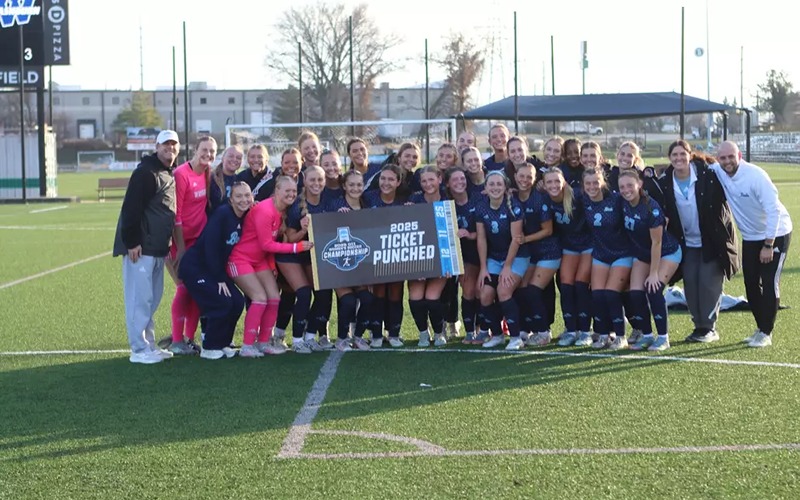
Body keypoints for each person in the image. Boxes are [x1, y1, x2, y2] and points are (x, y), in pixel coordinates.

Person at [711, 141, 792, 348]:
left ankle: (766, 332)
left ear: (739, 156)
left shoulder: (756, 176)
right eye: (723, 158)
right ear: (718, 158)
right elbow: (693, 163)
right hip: (750, 237)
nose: (727, 161)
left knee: (769, 281)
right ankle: (760, 327)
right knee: (750, 283)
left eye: (731, 157)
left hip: (775, 234)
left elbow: (773, 211)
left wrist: (768, 244)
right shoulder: (719, 171)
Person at [656, 140, 738, 344]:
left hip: (711, 241)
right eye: (674, 155)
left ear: (689, 155)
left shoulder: (708, 175)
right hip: (687, 243)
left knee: (708, 282)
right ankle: (698, 326)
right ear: (670, 158)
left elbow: (730, 188)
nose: (678, 158)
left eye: (682, 154)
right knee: (691, 282)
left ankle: (709, 328)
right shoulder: (665, 181)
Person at [227, 175, 314, 357]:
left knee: (274, 298)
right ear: (277, 191)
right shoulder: (265, 210)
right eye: (287, 191)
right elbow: (267, 244)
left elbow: (265, 248)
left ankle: (264, 342)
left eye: (293, 191)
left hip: (260, 260)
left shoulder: (282, 211)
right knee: (259, 298)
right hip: (240, 259)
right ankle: (247, 346)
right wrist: (296, 247)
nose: (291, 194)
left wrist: (271, 264)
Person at [113, 130, 180, 364]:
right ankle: (139, 349)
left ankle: (149, 344)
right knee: (138, 300)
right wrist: (132, 242)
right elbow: (131, 209)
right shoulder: (145, 173)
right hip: (141, 248)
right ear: (157, 146)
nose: (169, 148)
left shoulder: (165, 172)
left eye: (173, 145)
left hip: (157, 248)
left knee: (151, 300)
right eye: (165, 145)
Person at [179, 182, 252, 360]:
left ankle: (223, 343)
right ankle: (209, 346)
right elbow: (210, 248)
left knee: (236, 302)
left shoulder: (244, 215)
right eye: (239, 196)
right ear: (231, 199)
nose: (244, 200)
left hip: (214, 269)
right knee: (222, 301)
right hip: (196, 268)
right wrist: (220, 278)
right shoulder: (223, 215)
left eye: (247, 195)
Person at [618, 169, 682, 351]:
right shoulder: (622, 203)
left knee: (653, 289)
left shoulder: (650, 208)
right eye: (622, 186)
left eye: (630, 185)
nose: (626, 190)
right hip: (642, 253)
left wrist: (654, 273)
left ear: (640, 184)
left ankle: (663, 337)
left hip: (666, 252)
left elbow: (657, 242)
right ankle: (647, 335)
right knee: (636, 293)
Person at [167, 136, 217, 355]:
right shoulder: (181, 174)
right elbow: (175, 216)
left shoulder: (207, 172)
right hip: (181, 242)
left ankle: (189, 338)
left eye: (212, 151)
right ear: (195, 150)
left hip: (199, 241)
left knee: (198, 289)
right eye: (204, 150)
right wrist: (181, 248)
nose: (208, 154)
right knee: (184, 287)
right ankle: (177, 341)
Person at [278, 165, 335, 353]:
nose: (316, 183)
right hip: (291, 254)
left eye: (320, 180)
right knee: (303, 293)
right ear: (304, 180)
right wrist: (303, 230)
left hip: (312, 255)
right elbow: (289, 239)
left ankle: (310, 336)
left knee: (323, 293)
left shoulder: (329, 201)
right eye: (312, 180)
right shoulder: (296, 206)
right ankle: (296, 340)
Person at [581, 167, 632, 349]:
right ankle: (603, 334)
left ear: (603, 182)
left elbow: (637, 200)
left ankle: (620, 336)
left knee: (611, 294)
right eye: (588, 183)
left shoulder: (617, 199)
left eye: (596, 182)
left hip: (621, 253)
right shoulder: (583, 200)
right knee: (597, 295)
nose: (592, 186)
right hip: (600, 254)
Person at [475, 171, 527, 350]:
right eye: (491, 184)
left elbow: (516, 238)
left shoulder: (514, 207)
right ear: (486, 188)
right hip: (494, 257)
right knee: (485, 294)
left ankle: (515, 337)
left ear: (505, 188)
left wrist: (507, 266)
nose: (495, 187)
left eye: (499, 184)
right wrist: (483, 267)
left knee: (503, 291)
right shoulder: (481, 207)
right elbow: (481, 238)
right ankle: (496, 335)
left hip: (516, 256)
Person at [326, 170, 376, 351]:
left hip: (361, 265)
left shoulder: (367, 204)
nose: (356, 188)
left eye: (359, 184)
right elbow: (323, 230)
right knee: (348, 301)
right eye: (352, 184)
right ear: (344, 186)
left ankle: (358, 337)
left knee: (368, 299)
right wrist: (336, 218)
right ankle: (341, 338)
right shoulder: (335, 205)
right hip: (340, 265)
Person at [543, 167, 593, 347]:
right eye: (549, 182)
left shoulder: (577, 196)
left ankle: (586, 331)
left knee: (581, 285)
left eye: (557, 181)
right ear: (543, 184)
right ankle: (571, 330)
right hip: (569, 247)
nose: (553, 185)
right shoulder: (544, 199)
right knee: (566, 285)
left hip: (587, 245)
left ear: (564, 181)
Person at [513, 163, 559, 346]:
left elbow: (548, 230)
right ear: (515, 176)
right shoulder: (512, 196)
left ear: (534, 180)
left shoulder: (540, 199)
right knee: (522, 289)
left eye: (529, 177)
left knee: (533, 291)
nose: (525, 180)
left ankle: (543, 332)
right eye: (521, 176)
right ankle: (525, 328)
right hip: (529, 253)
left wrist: (525, 239)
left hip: (548, 252)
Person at [407, 166, 450, 347]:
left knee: (432, 298)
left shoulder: (448, 200)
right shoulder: (414, 200)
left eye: (431, 179)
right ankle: (424, 333)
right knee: (416, 298)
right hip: (418, 258)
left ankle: (440, 333)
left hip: (441, 259)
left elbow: (451, 234)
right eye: (424, 181)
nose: (428, 184)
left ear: (439, 179)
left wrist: (450, 264)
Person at [445, 167, 480, 344]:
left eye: (462, 179)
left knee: (482, 291)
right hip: (461, 256)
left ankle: (483, 329)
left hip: (482, 252)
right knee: (468, 290)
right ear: (448, 184)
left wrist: (470, 234)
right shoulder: (445, 206)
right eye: (455, 180)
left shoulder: (478, 199)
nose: (460, 182)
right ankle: (469, 331)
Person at [209, 146, 243, 211]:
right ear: (223, 158)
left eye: (238, 158)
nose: (234, 159)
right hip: (214, 219)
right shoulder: (211, 178)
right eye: (231, 156)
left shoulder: (241, 180)